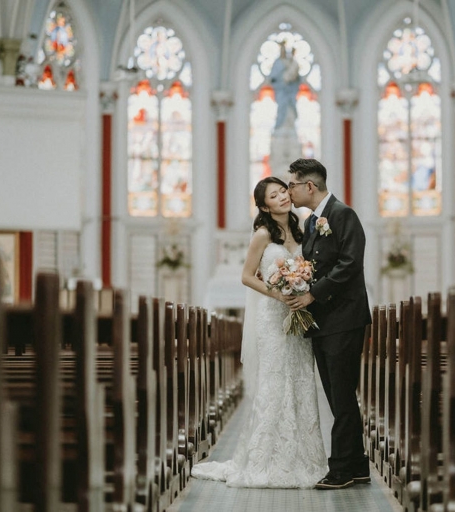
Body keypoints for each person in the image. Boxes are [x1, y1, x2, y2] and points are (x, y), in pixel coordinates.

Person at [191, 176, 327, 488]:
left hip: (298, 313)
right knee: (275, 380)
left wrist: (301, 283)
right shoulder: (262, 234)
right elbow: (245, 277)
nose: (282, 197)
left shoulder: (301, 229)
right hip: (273, 315)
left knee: (302, 380)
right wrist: (279, 293)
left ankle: (307, 459)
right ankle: (264, 459)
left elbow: (310, 266)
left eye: (283, 191)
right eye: (274, 195)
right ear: (264, 205)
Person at [286, 158, 372, 490]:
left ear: (309, 186)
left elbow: (351, 263)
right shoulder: (311, 223)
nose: (289, 190)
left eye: (292, 184)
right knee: (337, 396)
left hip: (344, 318)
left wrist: (312, 295)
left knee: (342, 394)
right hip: (324, 321)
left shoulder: (342, 214)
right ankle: (357, 464)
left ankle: (340, 470)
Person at [269, 43, 300, 130]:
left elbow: (296, 78)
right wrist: (281, 81)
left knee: (290, 109)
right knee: (281, 108)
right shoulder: (277, 63)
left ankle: (290, 126)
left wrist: (291, 78)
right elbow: (273, 77)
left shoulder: (291, 63)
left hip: (290, 92)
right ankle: (279, 126)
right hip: (281, 91)